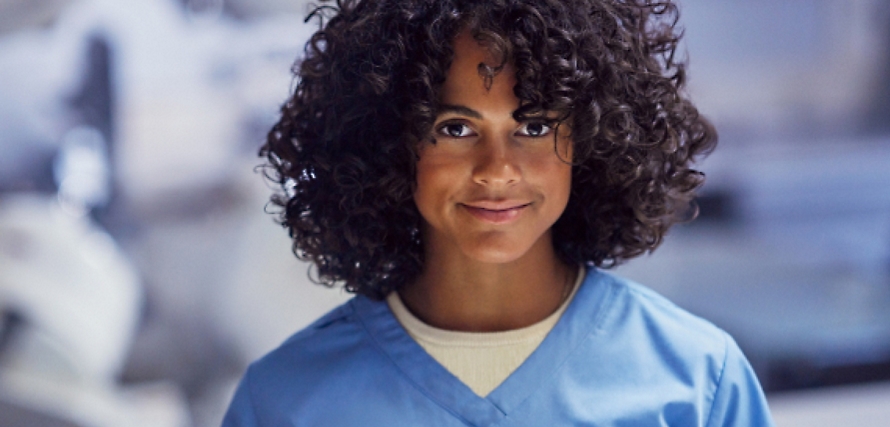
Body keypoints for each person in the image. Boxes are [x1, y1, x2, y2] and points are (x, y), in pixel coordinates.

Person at [223, 0, 774, 425]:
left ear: (590, 137)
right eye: (455, 129)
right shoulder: (287, 402)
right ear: (390, 142)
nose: (497, 170)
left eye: (533, 127)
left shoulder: (697, 382)